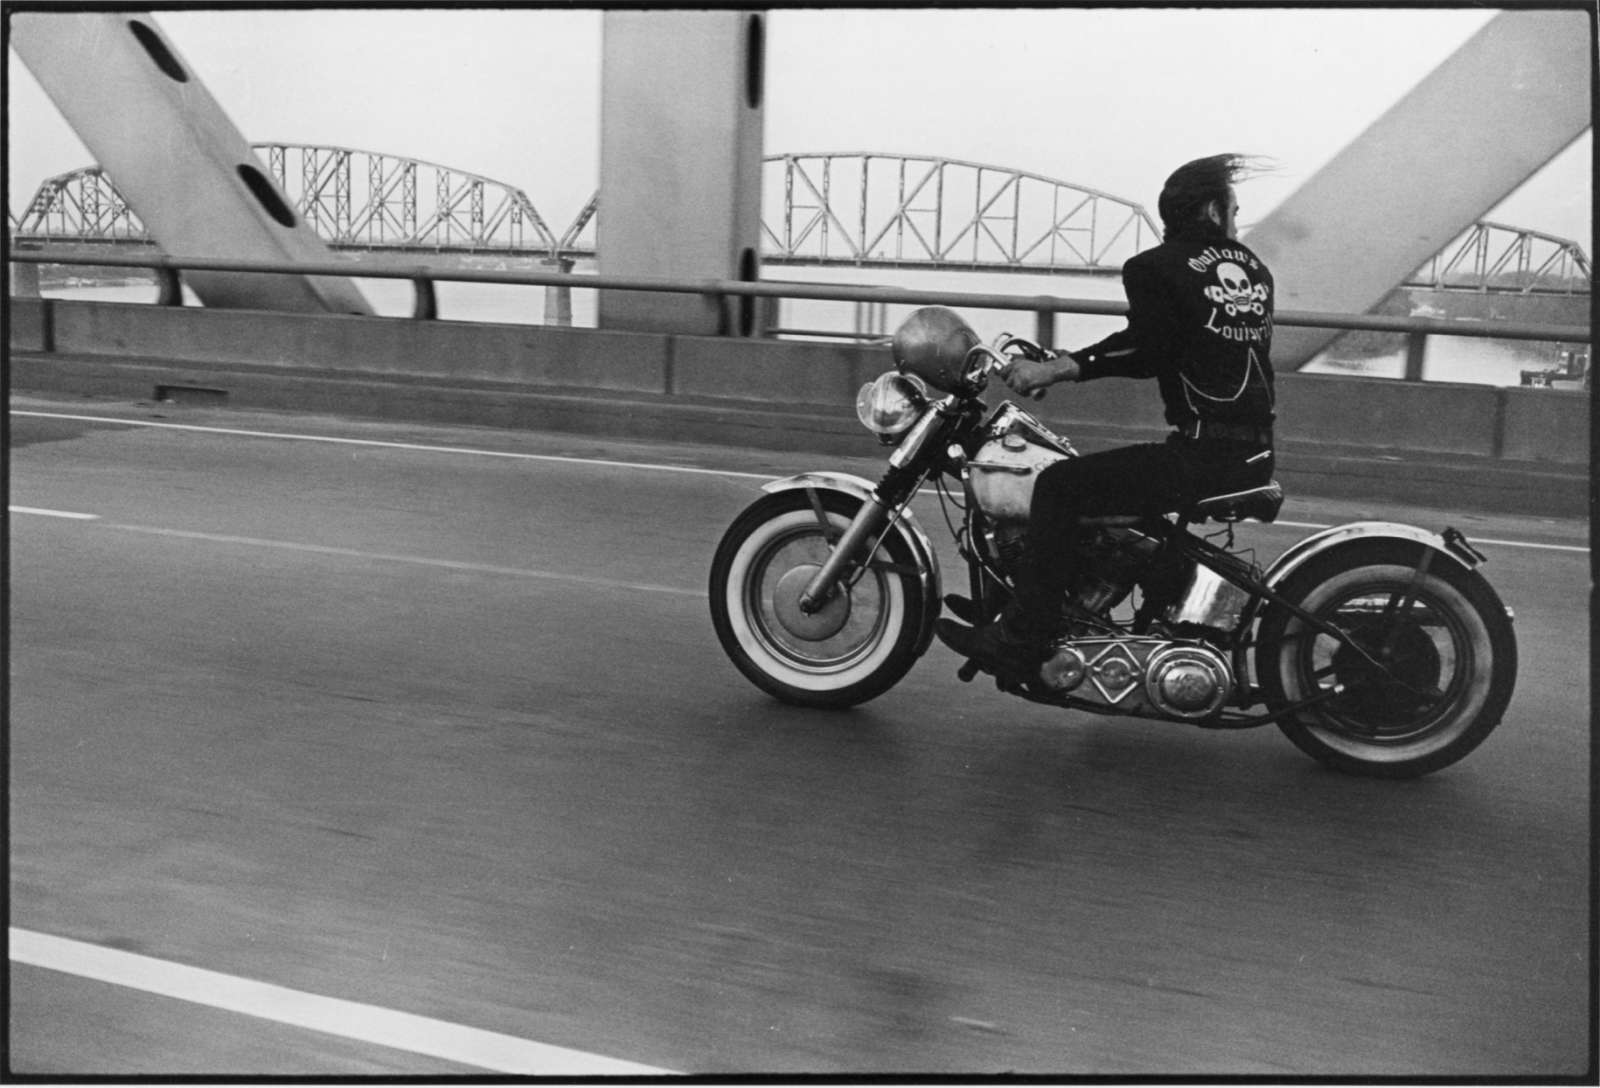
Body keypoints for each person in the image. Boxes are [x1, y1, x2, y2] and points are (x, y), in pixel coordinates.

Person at [937, 153, 1277, 677]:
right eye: (1234, 210)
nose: (1235, 222)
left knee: (1059, 486)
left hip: (1204, 454)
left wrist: (1055, 370)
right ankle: (1031, 604)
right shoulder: (1254, 271)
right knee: (1106, 493)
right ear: (1212, 210)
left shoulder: (1157, 267)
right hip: (1250, 449)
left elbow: (1147, 350)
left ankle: (1023, 637)